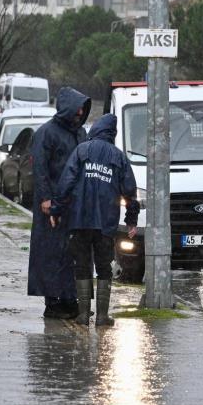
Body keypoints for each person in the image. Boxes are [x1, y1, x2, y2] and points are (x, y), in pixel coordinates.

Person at [51, 113, 139, 326]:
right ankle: (101, 316)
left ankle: (82, 315)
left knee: (81, 265)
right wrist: (131, 220)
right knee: (104, 267)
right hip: (105, 223)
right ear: (112, 134)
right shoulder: (118, 157)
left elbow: (66, 183)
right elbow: (129, 191)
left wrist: (56, 209)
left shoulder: (81, 151)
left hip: (79, 220)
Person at [28, 87, 91, 319]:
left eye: (83, 108)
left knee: (72, 253)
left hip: (74, 203)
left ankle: (70, 298)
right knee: (50, 252)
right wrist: (45, 198)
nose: (81, 112)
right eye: (78, 107)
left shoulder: (80, 133)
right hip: (52, 203)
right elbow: (40, 168)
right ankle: (52, 301)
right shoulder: (46, 133)